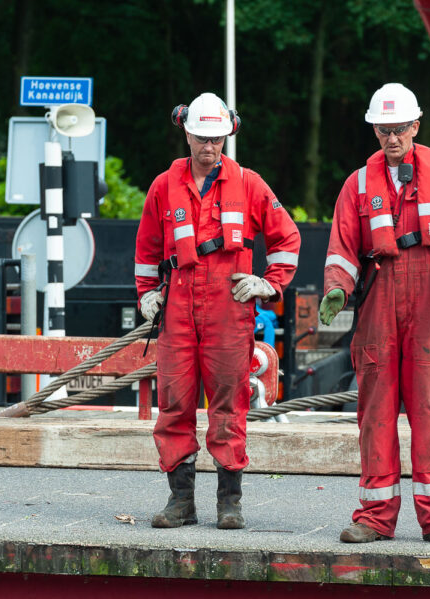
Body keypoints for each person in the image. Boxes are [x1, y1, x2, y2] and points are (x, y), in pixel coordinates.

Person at [134, 92, 300, 530]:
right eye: (203, 138)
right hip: (178, 311)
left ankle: (230, 502)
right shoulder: (163, 187)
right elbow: (147, 249)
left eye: (218, 139)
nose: (210, 147)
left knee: (230, 402)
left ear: (229, 134)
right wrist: (147, 292)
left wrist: (268, 283)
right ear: (186, 132)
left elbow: (287, 238)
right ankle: (181, 501)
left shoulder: (249, 184)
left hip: (229, 309)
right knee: (174, 403)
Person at [320, 83, 430, 545]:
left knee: (429, 411)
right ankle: (374, 517)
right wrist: (336, 290)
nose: (392, 139)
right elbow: (343, 250)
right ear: (375, 130)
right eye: (384, 130)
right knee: (376, 414)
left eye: (401, 130)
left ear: (416, 127)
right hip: (377, 303)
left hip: (429, 301)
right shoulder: (357, 184)